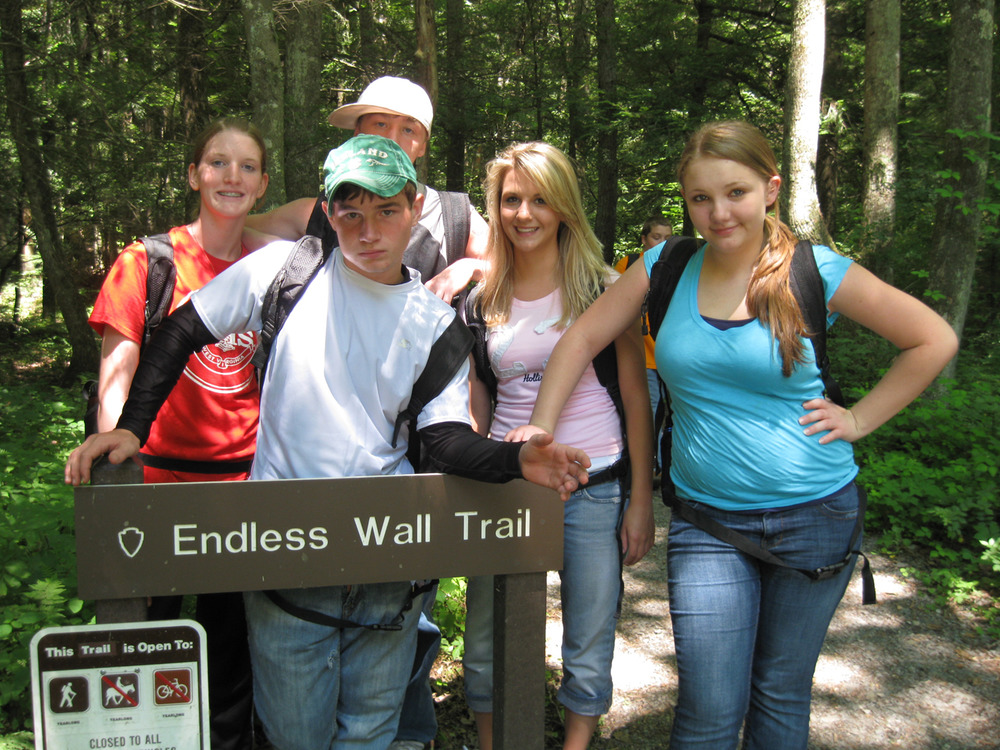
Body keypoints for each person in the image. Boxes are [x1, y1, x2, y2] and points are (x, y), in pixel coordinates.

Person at [66, 134, 592, 750]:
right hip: (284, 553)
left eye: (386, 211)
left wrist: (514, 458)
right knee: (295, 735)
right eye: (351, 212)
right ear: (329, 211)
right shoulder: (284, 272)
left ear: (414, 209)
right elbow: (184, 329)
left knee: (370, 731)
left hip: (388, 557)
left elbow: (443, 439)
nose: (369, 231)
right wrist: (131, 427)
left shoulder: (434, 324)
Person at [516, 121, 958, 749]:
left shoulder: (814, 271)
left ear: (770, 189)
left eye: (736, 193)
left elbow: (932, 338)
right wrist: (541, 426)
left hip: (816, 515)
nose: (719, 213)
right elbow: (581, 338)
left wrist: (859, 418)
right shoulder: (667, 267)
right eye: (701, 198)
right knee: (708, 707)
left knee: (779, 694)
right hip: (709, 523)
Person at [87, 116, 273, 750]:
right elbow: (117, 375)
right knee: (148, 648)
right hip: (157, 486)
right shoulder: (149, 261)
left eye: (247, 166)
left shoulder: (273, 267)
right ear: (194, 175)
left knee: (233, 655)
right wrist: (117, 484)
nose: (231, 176)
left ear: (263, 184)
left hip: (243, 487)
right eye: (217, 162)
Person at [462, 141, 655, 750]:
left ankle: (575, 743)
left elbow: (636, 398)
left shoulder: (604, 288)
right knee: (486, 632)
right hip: (508, 482)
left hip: (595, 484)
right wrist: (474, 465)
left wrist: (641, 501)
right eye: (511, 199)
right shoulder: (482, 296)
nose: (524, 213)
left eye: (541, 200)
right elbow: (479, 395)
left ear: (565, 207)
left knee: (589, 633)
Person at [247, 75, 489, 303]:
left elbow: (508, 265)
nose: (392, 139)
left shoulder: (452, 216)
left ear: (423, 146)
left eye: (408, 130)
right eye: (381, 124)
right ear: (358, 134)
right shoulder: (319, 212)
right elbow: (236, 231)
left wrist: (470, 267)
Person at [613, 215, 673, 478]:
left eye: (667, 238)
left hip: (671, 357)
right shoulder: (628, 265)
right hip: (641, 357)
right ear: (644, 239)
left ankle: (662, 465)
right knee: (646, 414)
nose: (662, 243)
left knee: (671, 415)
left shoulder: (677, 268)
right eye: (656, 237)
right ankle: (646, 468)